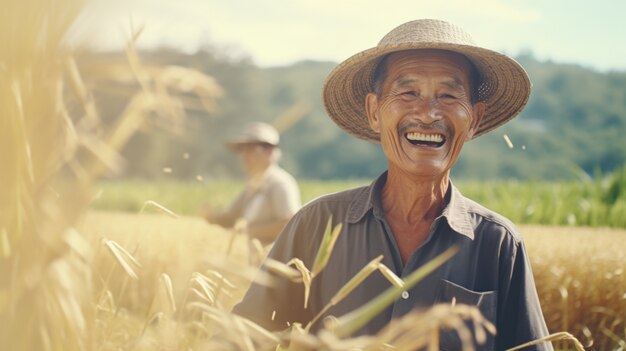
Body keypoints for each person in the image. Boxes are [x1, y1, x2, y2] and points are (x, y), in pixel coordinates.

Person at [233, 19, 553, 350]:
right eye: (408, 92)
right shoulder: (316, 224)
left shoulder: (498, 244)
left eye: (447, 95)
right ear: (374, 111)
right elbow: (241, 338)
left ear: (474, 119)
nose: (428, 113)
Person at [201, 122, 301, 245]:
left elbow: (289, 224)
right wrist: (210, 217)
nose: (244, 155)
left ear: (269, 151)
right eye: (242, 149)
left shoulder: (280, 183)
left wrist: (244, 232)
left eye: (250, 149)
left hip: (270, 260)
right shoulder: (254, 185)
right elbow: (230, 217)